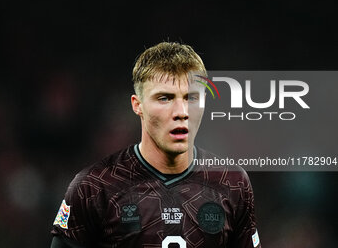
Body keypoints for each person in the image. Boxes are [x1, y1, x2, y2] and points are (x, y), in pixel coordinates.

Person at [51, 42, 261, 248]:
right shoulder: (94, 187)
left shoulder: (233, 183)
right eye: (165, 98)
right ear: (137, 105)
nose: (181, 112)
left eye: (191, 98)